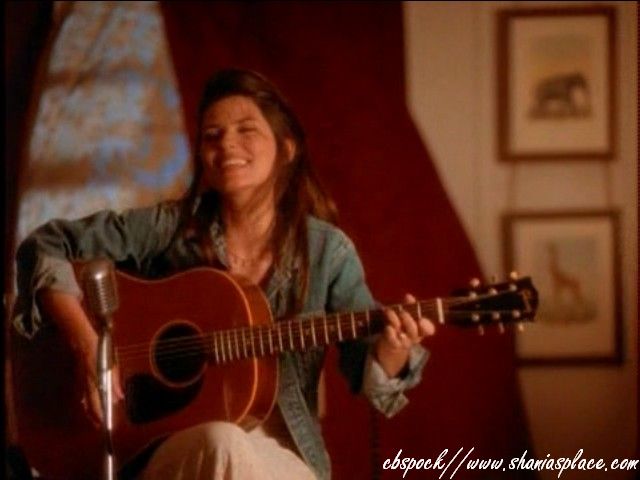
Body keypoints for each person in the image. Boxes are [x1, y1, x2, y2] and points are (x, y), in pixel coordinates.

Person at [13, 69, 435, 480]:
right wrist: (88, 346)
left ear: (286, 148)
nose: (227, 143)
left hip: (283, 457)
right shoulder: (170, 227)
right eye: (212, 135)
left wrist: (393, 350)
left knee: (226, 443)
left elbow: (370, 373)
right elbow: (45, 245)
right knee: (221, 441)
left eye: (246, 129)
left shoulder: (327, 251)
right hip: (158, 450)